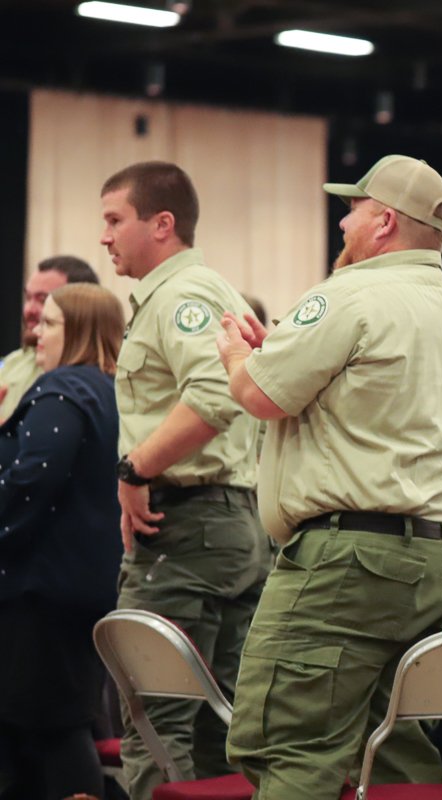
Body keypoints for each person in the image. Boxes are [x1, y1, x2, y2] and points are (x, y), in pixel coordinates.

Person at [219, 154, 442, 798]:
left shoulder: (349, 293)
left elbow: (260, 396)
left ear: (384, 221)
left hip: (347, 565)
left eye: (352, 209)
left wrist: (235, 359)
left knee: (287, 747)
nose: (343, 223)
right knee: (396, 755)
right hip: (435, 558)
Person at [100, 161, 273, 800]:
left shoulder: (181, 297)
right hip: (227, 524)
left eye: (116, 219)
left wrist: (135, 469)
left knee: (153, 717)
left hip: (186, 527)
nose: (106, 236)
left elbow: (213, 396)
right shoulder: (205, 291)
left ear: (162, 224)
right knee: (217, 727)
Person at [0, 283, 123, 800]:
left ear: (78, 332)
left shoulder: (63, 391)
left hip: (40, 590)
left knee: (52, 728)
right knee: (41, 726)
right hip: (77, 584)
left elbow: (33, 482)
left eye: (48, 323)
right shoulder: (104, 389)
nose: (36, 332)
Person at [0, 256, 97, 423]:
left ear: (81, 309)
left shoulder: (90, 376)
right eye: (28, 297)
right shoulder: (14, 361)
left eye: (43, 300)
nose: (29, 309)